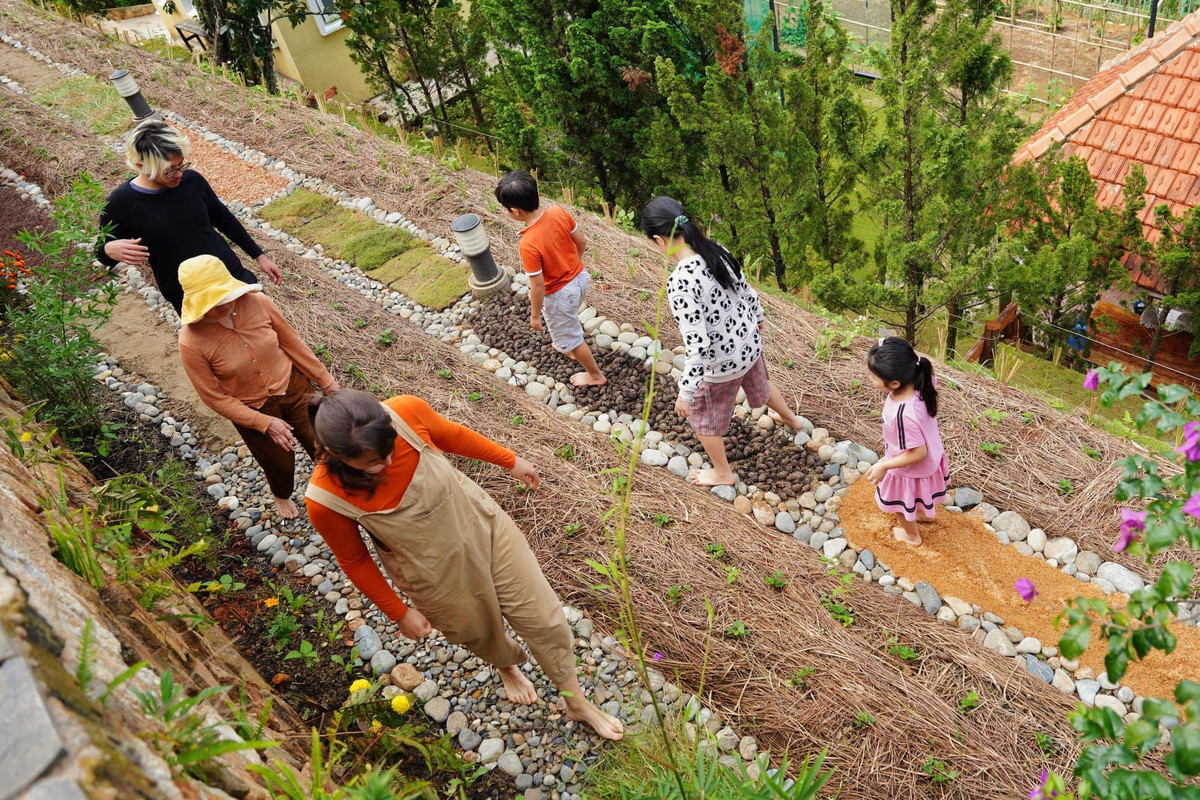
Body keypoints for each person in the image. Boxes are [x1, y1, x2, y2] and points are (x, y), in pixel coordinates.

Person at [303, 389, 624, 741]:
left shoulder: (406, 411)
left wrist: (510, 460)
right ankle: (505, 665)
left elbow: (453, 435)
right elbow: (355, 559)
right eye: (372, 463)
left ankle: (575, 701)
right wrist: (398, 613)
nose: (389, 462)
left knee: (545, 619)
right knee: (478, 632)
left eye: (391, 448)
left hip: (483, 529)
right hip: (432, 573)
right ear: (335, 454)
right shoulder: (325, 499)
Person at [640, 196, 803, 487]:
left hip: (721, 365)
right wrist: (757, 316)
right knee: (761, 386)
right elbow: (745, 290)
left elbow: (698, 345)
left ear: (659, 240)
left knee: (702, 419)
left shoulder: (680, 282)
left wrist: (686, 393)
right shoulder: (715, 249)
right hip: (749, 344)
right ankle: (793, 420)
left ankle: (723, 473)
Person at [177, 255, 340, 519]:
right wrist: (263, 423)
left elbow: (293, 345)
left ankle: (339, 491)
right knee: (280, 464)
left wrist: (326, 381)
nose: (226, 304)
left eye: (226, 296)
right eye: (215, 302)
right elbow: (213, 397)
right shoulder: (191, 341)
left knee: (324, 444)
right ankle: (280, 493)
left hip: (294, 386)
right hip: (253, 407)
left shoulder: (259, 302)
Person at [96, 119, 283, 315]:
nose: (179, 175)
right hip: (188, 295)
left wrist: (259, 256)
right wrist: (108, 249)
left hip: (230, 276)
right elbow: (101, 253)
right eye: (169, 170)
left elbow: (223, 218)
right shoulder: (121, 203)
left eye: (181, 165)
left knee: (265, 329)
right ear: (141, 166)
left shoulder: (192, 181)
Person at [495, 170, 606, 388]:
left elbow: (537, 286)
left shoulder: (528, 244)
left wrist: (535, 315)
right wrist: (571, 265)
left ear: (515, 212)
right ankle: (566, 340)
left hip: (560, 294)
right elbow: (581, 243)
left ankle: (595, 374)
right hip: (581, 278)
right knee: (568, 319)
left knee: (573, 337)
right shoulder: (558, 212)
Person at [863, 336, 948, 547]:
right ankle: (923, 513)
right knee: (918, 494)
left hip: (908, 467)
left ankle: (912, 536)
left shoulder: (902, 414)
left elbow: (917, 452)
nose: (870, 380)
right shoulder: (921, 382)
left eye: (873, 377)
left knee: (900, 504)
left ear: (894, 383)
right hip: (931, 460)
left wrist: (884, 464)